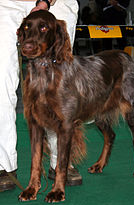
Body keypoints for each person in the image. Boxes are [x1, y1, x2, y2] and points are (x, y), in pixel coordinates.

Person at [0, 0, 82, 192]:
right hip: (6, 4)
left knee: (60, 90)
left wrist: (45, 2)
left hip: (57, 4)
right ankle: (4, 165)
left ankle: (60, 163)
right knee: (0, 84)